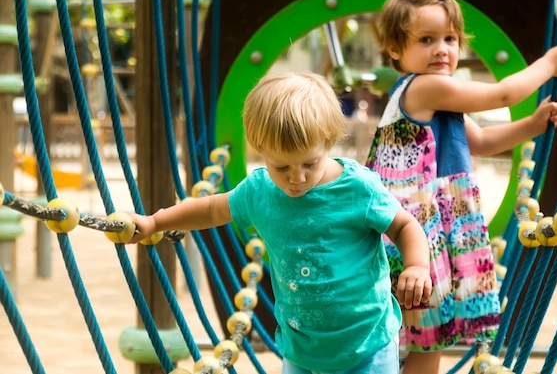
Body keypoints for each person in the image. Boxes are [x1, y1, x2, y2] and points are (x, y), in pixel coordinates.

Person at [127, 72, 433, 374]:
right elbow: (210, 210)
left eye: (309, 164)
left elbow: (404, 226)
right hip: (301, 350)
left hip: (366, 346)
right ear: (261, 150)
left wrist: (417, 265)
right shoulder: (259, 192)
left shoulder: (357, 189)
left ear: (327, 142)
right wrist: (156, 221)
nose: (296, 178)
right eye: (281, 166)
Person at [365, 0, 557, 374]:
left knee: (428, 338)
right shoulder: (424, 88)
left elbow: (480, 140)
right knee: (424, 339)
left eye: (450, 38)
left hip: (427, 233)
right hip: (415, 237)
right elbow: (503, 94)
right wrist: (548, 64)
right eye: (426, 40)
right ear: (395, 49)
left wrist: (532, 124)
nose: (442, 49)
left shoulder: (438, 101)